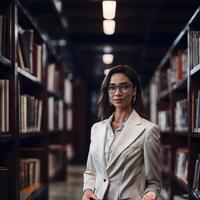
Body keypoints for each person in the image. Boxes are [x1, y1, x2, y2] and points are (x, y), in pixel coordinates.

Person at [82, 65, 161, 200]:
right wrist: (87, 190)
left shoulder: (148, 130)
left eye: (124, 86)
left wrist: (151, 193)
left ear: (134, 90)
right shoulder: (96, 129)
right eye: (112, 87)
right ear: (107, 92)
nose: (117, 93)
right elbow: (91, 171)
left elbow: (153, 182)